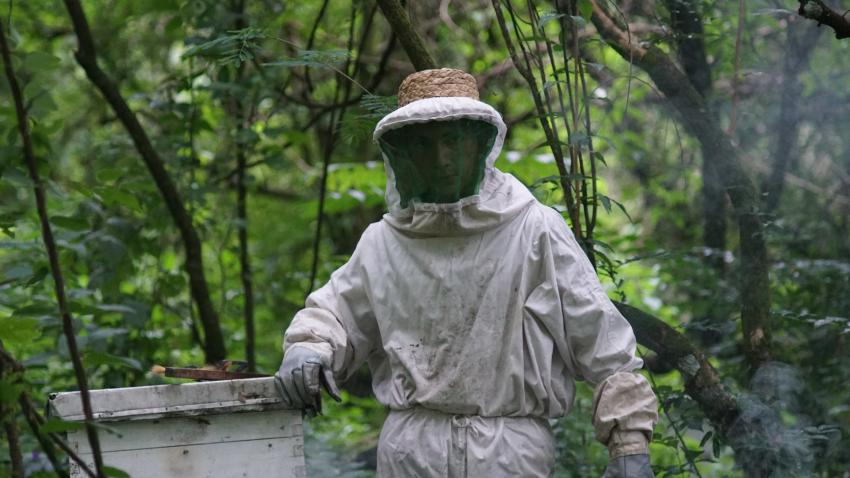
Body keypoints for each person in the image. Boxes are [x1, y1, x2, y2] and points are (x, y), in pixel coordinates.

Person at [275, 68, 658, 477]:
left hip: (508, 455)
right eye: (425, 144)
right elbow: (334, 316)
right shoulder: (382, 243)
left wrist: (629, 443)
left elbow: (602, 341)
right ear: (403, 153)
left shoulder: (534, 229)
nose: (442, 158)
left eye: (454, 141)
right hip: (410, 455)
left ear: (480, 145)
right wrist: (308, 348)